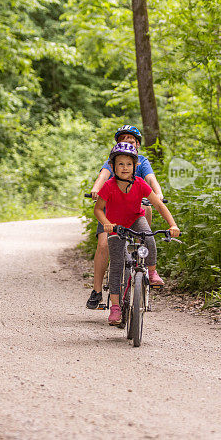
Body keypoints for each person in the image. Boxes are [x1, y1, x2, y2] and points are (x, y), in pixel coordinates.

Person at [93, 142, 180, 325]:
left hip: (135, 218)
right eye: (120, 164)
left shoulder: (140, 184)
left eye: (129, 164)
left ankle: (152, 271)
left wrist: (172, 224)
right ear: (113, 166)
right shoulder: (109, 186)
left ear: (135, 166)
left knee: (148, 237)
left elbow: (158, 205)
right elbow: (98, 209)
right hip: (115, 225)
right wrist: (107, 224)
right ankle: (115, 307)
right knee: (117, 263)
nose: (125, 168)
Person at [86, 124, 165, 309]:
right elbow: (103, 176)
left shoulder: (141, 161)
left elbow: (151, 179)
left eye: (131, 140)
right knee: (104, 245)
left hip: (134, 210)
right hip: (112, 211)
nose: (127, 143)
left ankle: (143, 260)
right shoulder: (113, 162)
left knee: (147, 211)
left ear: (137, 144)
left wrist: (158, 192)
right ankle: (97, 291)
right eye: (123, 140)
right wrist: (96, 189)